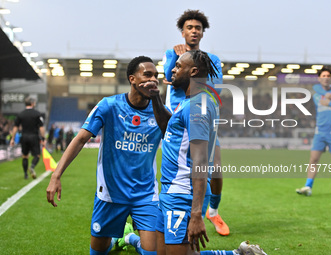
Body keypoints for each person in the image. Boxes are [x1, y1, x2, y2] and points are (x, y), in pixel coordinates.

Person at [148, 50, 266, 255]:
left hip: (181, 193)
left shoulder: (196, 107)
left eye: (178, 66)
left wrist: (196, 215)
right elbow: (170, 128)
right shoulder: (191, 100)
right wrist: (156, 98)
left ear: (193, 72)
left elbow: (200, 161)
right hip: (170, 191)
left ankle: (239, 254)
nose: (172, 70)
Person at [46, 56, 162, 255]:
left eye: (156, 76)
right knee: (99, 252)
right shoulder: (109, 106)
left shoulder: (160, 113)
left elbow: (179, 141)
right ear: (132, 79)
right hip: (110, 193)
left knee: (154, 252)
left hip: (145, 194)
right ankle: (120, 239)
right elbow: (80, 139)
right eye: (147, 75)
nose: (153, 79)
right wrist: (56, 175)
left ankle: (131, 238)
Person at [162, 9, 229, 236]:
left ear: (202, 33)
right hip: (176, 119)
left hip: (201, 116)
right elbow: (168, 77)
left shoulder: (213, 60)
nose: (194, 31)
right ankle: (152, 212)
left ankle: (213, 211)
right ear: (183, 32)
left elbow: (215, 85)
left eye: (197, 28)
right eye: (189, 27)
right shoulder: (171, 54)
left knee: (215, 169)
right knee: (169, 169)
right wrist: (175, 57)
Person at [296, 67, 331, 196]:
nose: (326, 78)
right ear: (319, 78)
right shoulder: (316, 94)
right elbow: (316, 87)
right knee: (313, 159)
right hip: (319, 132)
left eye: (328, 76)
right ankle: (308, 187)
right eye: (324, 76)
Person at [10, 96, 46, 179]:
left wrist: (12, 138)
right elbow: (41, 127)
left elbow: (15, 127)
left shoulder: (21, 114)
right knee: (37, 155)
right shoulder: (37, 114)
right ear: (32, 103)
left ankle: (25, 174)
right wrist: (43, 139)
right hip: (34, 136)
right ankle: (32, 167)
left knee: (25, 156)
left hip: (24, 137)